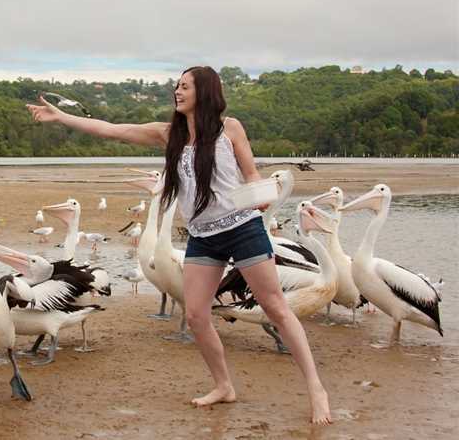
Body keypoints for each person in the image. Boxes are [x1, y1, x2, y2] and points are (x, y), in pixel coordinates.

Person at [26, 66, 331, 425]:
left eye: (185, 86)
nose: (178, 91)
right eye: (177, 85)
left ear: (205, 91)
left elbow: (250, 172)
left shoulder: (229, 128)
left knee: (276, 307)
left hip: (242, 227)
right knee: (197, 315)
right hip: (203, 235)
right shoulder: (168, 133)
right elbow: (113, 130)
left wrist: (261, 195)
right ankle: (223, 386)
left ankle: (315, 389)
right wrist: (62, 117)